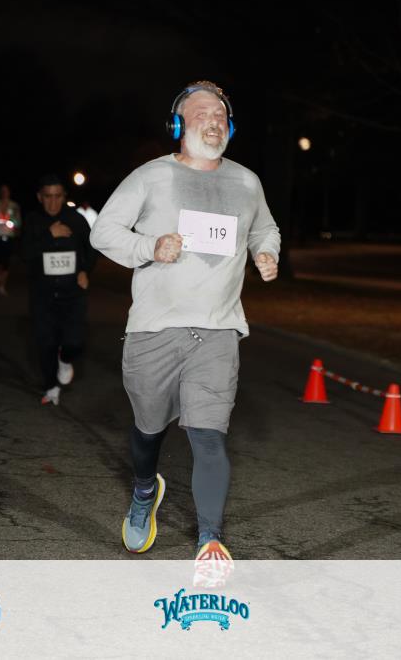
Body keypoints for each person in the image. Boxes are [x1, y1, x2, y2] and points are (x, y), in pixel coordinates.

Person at [90, 81, 280, 569]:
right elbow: (103, 232)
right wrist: (149, 248)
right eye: (201, 113)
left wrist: (265, 251)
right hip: (155, 328)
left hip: (217, 329)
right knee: (149, 429)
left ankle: (210, 540)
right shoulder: (151, 176)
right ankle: (144, 490)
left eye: (220, 115)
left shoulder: (247, 182)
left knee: (209, 435)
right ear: (177, 125)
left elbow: (264, 227)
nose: (213, 121)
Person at [21, 174, 94, 406]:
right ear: (39, 197)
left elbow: (92, 249)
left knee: (74, 342)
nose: (52, 202)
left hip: (72, 293)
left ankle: (65, 360)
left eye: (57, 196)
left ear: (64, 197)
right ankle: (51, 386)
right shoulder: (33, 220)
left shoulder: (76, 220)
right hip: (43, 294)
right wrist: (49, 235)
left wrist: (85, 271)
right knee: (46, 344)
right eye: (48, 196)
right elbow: (24, 254)